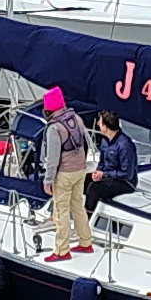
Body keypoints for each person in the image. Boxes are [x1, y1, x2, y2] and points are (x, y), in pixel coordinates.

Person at [39, 86, 95, 256]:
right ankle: (86, 242)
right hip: (80, 170)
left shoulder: (54, 128)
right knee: (78, 206)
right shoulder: (77, 119)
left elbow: (53, 158)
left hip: (64, 173)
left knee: (61, 211)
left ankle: (62, 250)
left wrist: (48, 180)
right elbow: (86, 144)